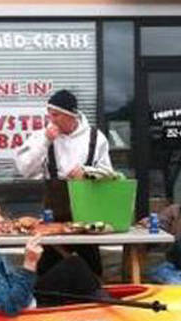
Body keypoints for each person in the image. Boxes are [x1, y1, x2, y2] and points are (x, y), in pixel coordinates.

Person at [0, 194, 102, 316]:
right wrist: (29, 264)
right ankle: (109, 312)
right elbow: (10, 306)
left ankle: (100, 304)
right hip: (21, 306)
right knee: (76, 268)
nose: (2, 220)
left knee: (73, 265)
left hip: (18, 295)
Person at [14, 89, 112, 276]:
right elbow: (25, 169)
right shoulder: (42, 136)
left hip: (87, 218)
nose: (51, 119)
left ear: (71, 115)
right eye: (49, 114)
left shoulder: (96, 137)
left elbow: (109, 174)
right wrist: (45, 142)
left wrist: (88, 172)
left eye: (56, 115)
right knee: (49, 273)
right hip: (53, 218)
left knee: (90, 273)